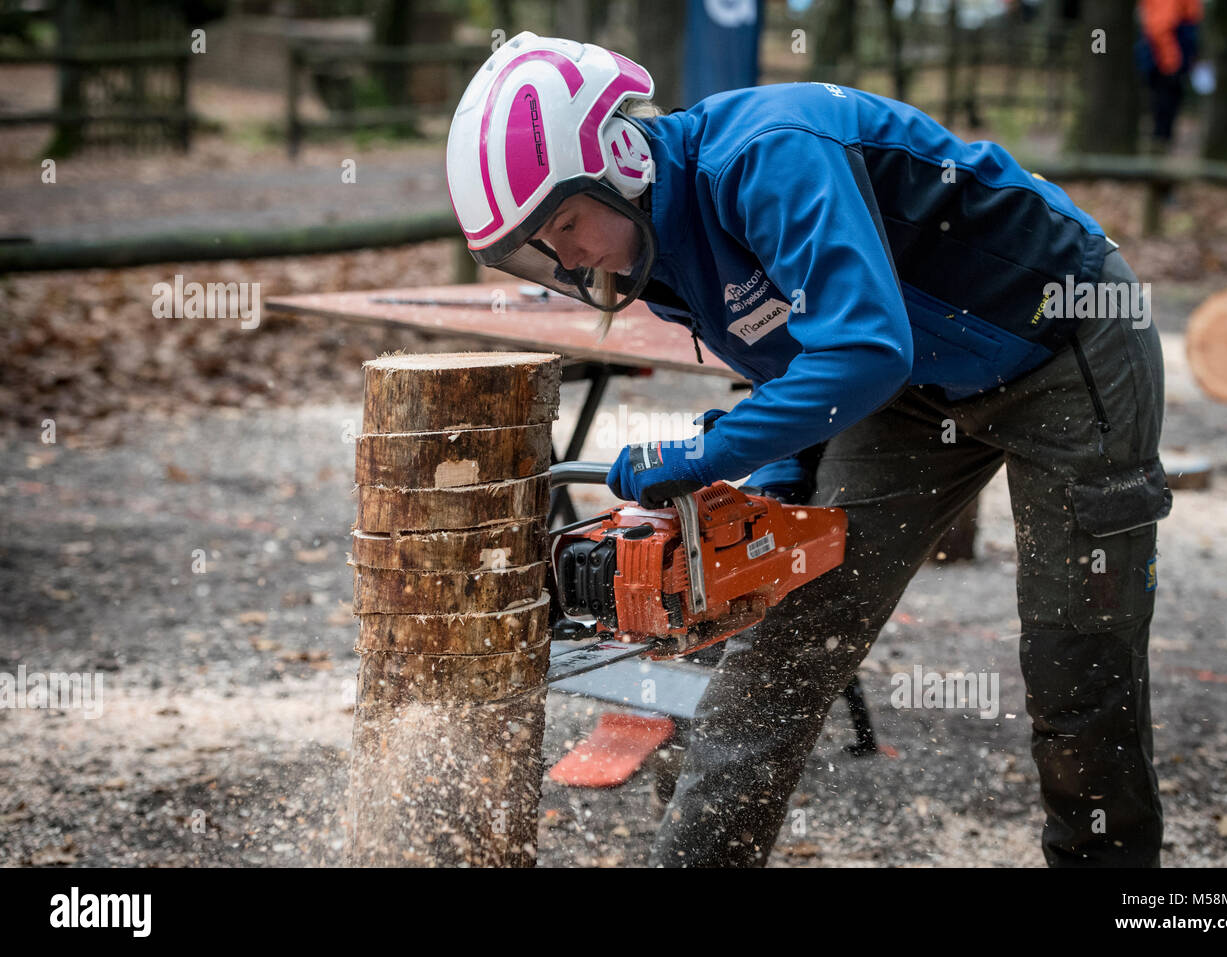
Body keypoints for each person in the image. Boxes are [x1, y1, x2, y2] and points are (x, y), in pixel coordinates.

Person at [446, 32, 1172, 867]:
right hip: (911, 393)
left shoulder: (768, 156)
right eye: (544, 246)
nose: (568, 258)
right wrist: (776, 500)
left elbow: (864, 348)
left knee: (1076, 657)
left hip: (1065, 343)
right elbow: (801, 361)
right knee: (783, 647)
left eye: (568, 224)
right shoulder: (662, 253)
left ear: (616, 155)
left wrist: (706, 454)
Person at [1136, 0, 1203, 151]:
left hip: (1170, 55)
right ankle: (1158, 150)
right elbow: (1160, 27)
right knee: (1163, 106)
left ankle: (1160, 147)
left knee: (1167, 105)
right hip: (1165, 59)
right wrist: (1170, 62)